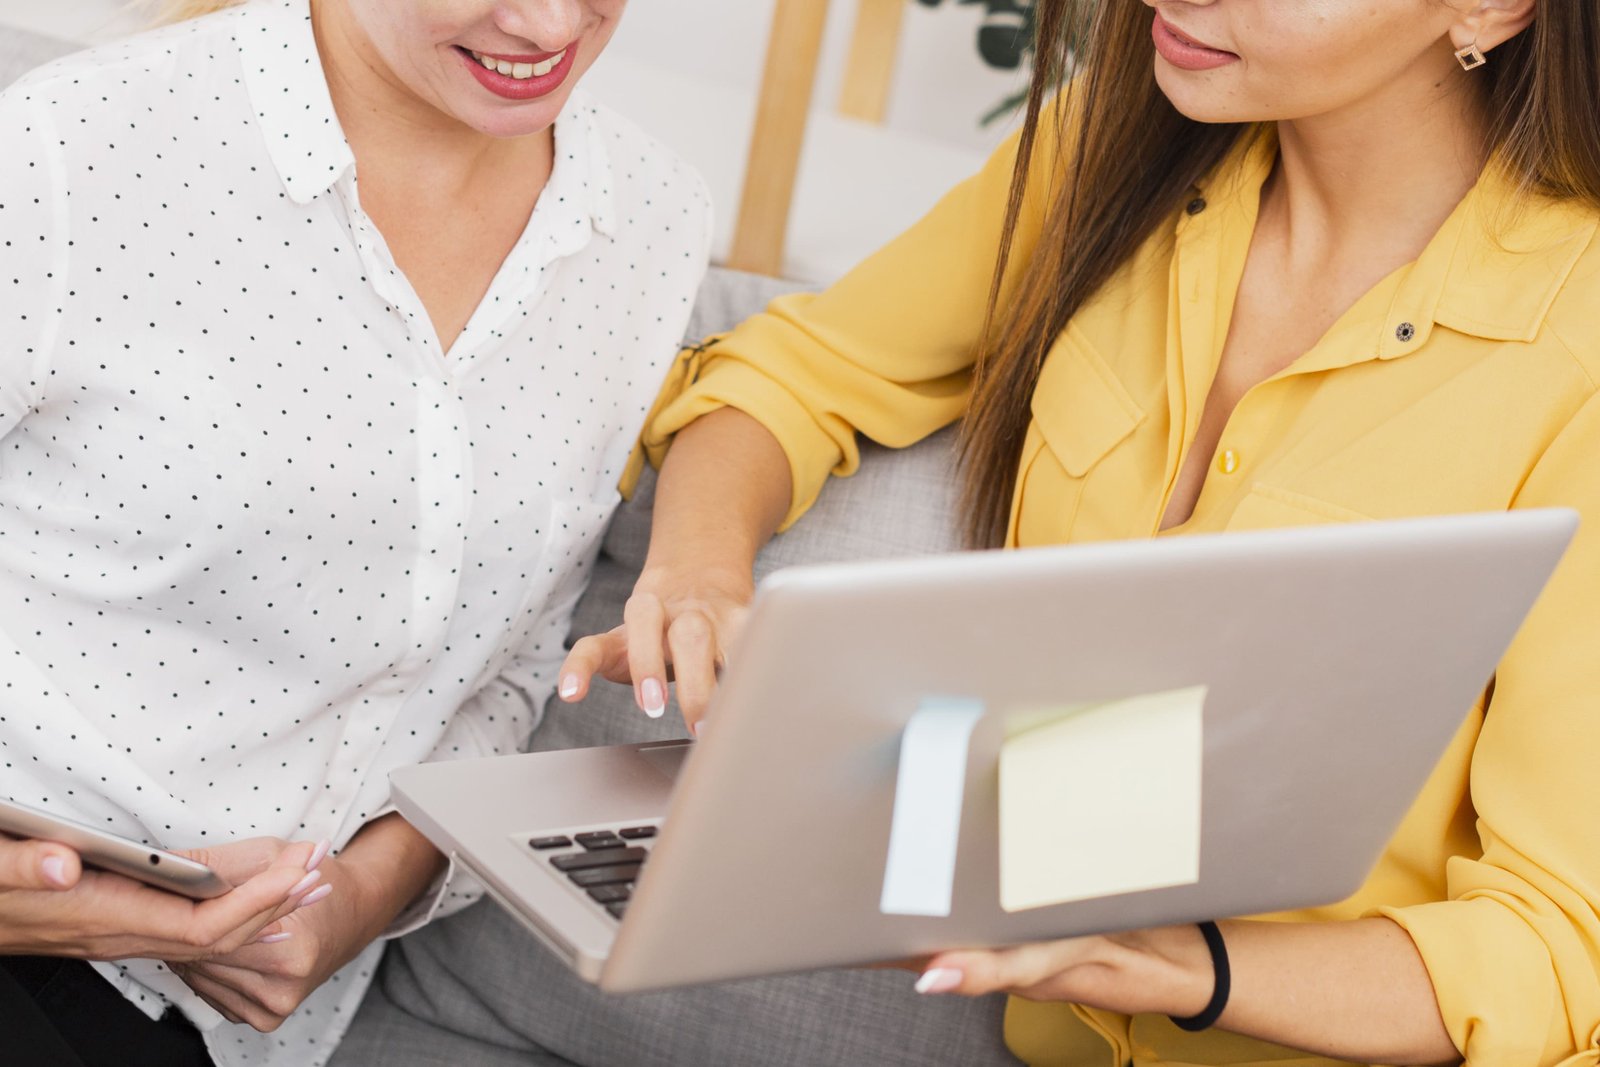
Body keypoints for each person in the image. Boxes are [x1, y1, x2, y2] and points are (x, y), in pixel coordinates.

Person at [335, 0, 1600, 1064]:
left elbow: (1555, 946)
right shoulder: (1108, 156)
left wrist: (1176, 962)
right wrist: (701, 569)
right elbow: (791, 374)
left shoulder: (1577, 350)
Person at [0, 0, 710, 1063]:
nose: (552, 20)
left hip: (241, 1023)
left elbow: (509, 664)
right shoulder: (73, 151)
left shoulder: (652, 223)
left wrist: (367, 894)